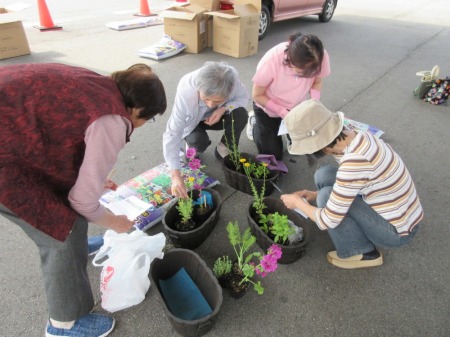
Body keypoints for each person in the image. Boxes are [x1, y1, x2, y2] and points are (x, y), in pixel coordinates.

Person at [0, 62, 167, 337]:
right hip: (7, 164)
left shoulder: (98, 83)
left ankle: (79, 248)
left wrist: (94, 183)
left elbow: (59, 130)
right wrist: (115, 222)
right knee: (61, 232)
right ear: (137, 109)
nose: (139, 126)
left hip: (14, 138)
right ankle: (65, 324)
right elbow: (82, 202)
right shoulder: (113, 120)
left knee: (69, 208)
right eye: (145, 120)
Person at [280, 100, 423, 269]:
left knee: (326, 197)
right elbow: (356, 182)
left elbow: (328, 220)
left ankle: (361, 252)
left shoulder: (354, 163)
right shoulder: (356, 135)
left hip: (397, 230)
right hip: (402, 210)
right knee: (323, 175)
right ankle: (349, 231)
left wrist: (297, 203)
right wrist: (313, 194)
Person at [163, 61, 249, 198]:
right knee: (198, 142)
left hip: (217, 116)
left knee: (240, 114)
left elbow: (243, 98)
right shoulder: (186, 91)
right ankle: (191, 145)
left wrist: (223, 108)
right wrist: (176, 176)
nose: (209, 105)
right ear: (198, 88)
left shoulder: (232, 81)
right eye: (205, 99)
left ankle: (223, 148)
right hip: (192, 123)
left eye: (217, 101)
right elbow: (173, 132)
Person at [251, 32, 331, 160]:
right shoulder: (272, 60)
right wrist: (282, 111)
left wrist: (314, 104)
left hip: (296, 107)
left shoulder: (320, 57)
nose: (306, 77)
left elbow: (317, 81)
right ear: (289, 60)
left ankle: (288, 134)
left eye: (310, 73)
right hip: (267, 107)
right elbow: (257, 95)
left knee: (302, 146)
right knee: (274, 156)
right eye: (300, 73)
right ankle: (256, 125)